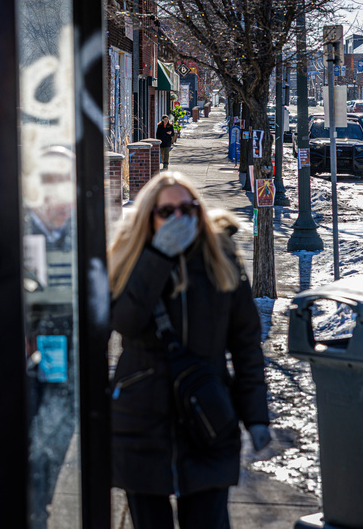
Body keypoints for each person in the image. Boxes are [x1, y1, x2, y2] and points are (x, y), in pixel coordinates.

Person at [108, 172, 270, 529]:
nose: (178, 218)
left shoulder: (219, 257)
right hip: (142, 420)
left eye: (188, 208)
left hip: (207, 414)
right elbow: (125, 321)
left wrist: (255, 414)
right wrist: (158, 257)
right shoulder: (133, 258)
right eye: (167, 212)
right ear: (149, 216)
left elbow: (245, 344)